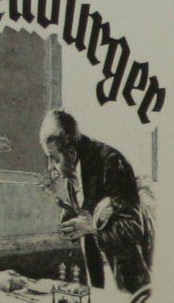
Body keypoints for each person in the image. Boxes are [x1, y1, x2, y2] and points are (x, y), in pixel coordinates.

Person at [41, 109, 153, 293]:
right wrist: (71, 217)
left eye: (53, 159)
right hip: (98, 281)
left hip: (129, 285)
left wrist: (92, 227)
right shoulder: (72, 171)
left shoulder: (111, 162)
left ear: (71, 153)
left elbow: (134, 228)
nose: (49, 166)